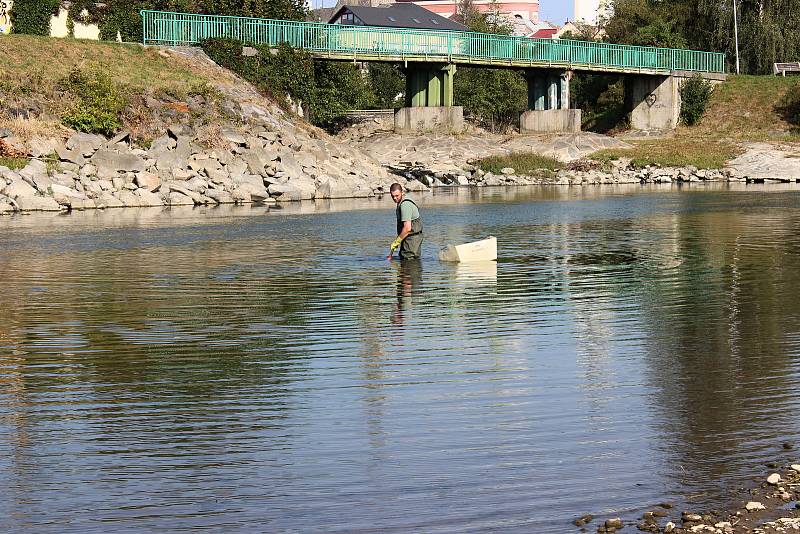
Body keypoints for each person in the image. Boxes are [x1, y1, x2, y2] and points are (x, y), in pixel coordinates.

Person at [387, 183, 423, 260]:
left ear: (402, 192)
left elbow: (407, 228)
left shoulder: (405, 205)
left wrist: (397, 241)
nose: (395, 198)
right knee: (404, 263)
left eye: (397, 195)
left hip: (412, 240)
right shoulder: (401, 201)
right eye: (392, 196)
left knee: (409, 263)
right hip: (408, 238)